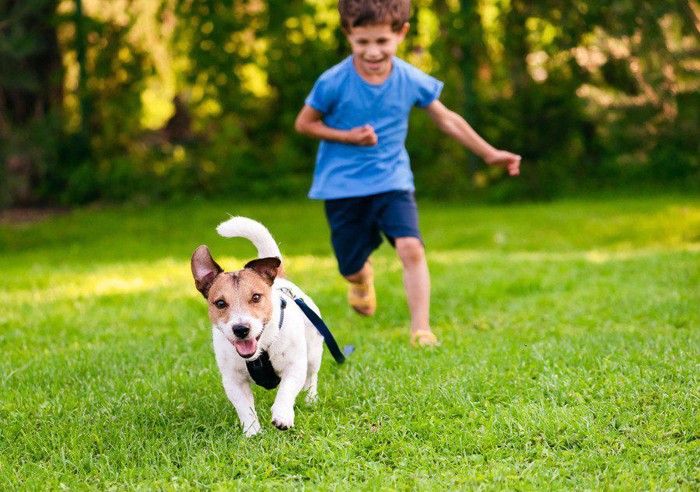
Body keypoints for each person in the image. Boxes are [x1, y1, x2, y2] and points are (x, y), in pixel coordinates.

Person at [294, 0, 521, 347]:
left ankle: (421, 329)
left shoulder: (409, 78)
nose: (373, 52)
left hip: (392, 180)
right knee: (350, 266)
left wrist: (490, 154)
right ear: (348, 34)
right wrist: (347, 136)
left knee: (411, 247)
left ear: (401, 34)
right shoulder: (333, 81)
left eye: (382, 41)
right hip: (342, 186)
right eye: (362, 42)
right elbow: (304, 123)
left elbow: (447, 119)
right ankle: (360, 278)